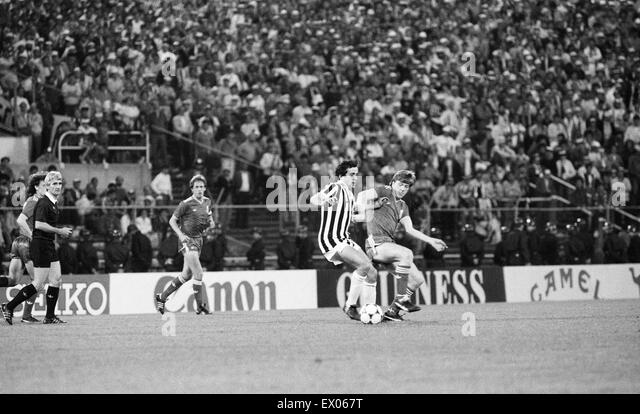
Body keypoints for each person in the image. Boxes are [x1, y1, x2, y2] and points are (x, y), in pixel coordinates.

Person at [356, 170, 447, 321]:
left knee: (417, 279)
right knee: (407, 254)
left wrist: (431, 240)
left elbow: (410, 229)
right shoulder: (384, 190)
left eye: (407, 186)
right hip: (376, 245)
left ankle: (393, 312)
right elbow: (361, 195)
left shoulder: (403, 206)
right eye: (400, 184)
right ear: (392, 183)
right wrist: (361, 208)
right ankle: (401, 299)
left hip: (388, 246)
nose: (403, 188)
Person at [2, 171, 73, 325]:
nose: (58, 186)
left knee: (55, 279)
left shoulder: (48, 201)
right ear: (44, 186)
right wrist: (58, 231)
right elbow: (35, 224)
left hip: (43, 243)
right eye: (53, 183)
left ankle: (49, 316)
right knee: (38, 283)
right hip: (37, 244)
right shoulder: (41, 202)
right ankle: (10, 306)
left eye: (59, 183)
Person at [310, 160, 377, 321]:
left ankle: (370, 310)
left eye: (356, 174)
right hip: (331, 238)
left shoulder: (349, 194)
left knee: (372, 272)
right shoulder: (336, 187)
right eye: (351, 174)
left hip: (344, 238)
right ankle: (350, 305)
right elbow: (313, 199)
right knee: (364, 265)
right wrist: (325, 201)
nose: (355, 177)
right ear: (341, 176)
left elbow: (356, 217)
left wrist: (373, 208)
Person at [155, 175, 215, 315]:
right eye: (196, 187)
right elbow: (172, 221)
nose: (199, 189)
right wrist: (181, 235)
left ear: (205, 188)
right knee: (199, 273)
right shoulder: (186, 203)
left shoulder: (207, 201)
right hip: (187, 241)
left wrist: (210, 223)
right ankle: (200, 305)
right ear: (192, 189)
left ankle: (162, 297)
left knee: (186, 275)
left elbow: (209, 217)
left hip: (199, 240)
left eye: (201, 187)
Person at [0, 171, 47, 323]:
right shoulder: (34, 201)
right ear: (36, 187)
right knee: (37, 283)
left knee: (13, 279)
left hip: (18, 242)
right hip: (27, 243)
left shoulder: (32, 200)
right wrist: (34, 236)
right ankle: (23, 314)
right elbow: (21, 220)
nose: (47, 187)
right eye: (44, 185)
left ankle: (24, 314)